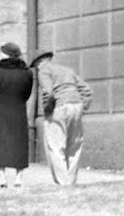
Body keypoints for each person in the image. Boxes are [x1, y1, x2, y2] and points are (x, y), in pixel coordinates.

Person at [32, 50, 93, 186]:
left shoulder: (43, 71)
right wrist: (83, 107)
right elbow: (87, 90)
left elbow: (49, 93)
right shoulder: (66, 70)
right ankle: (71, 180)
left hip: (58, 107)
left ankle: (62, 182)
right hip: (76, 105)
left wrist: (48, 110)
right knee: (74, 146)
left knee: (55, 145)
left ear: (38, 62)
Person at [0, 41, 34, 188]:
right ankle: (18, 178)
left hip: (1, 111)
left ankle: (2, 178)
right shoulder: (27, 72)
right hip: (19, 111)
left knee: (0, 144)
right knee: (19, 144)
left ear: (5, 54)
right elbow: (27, 93)